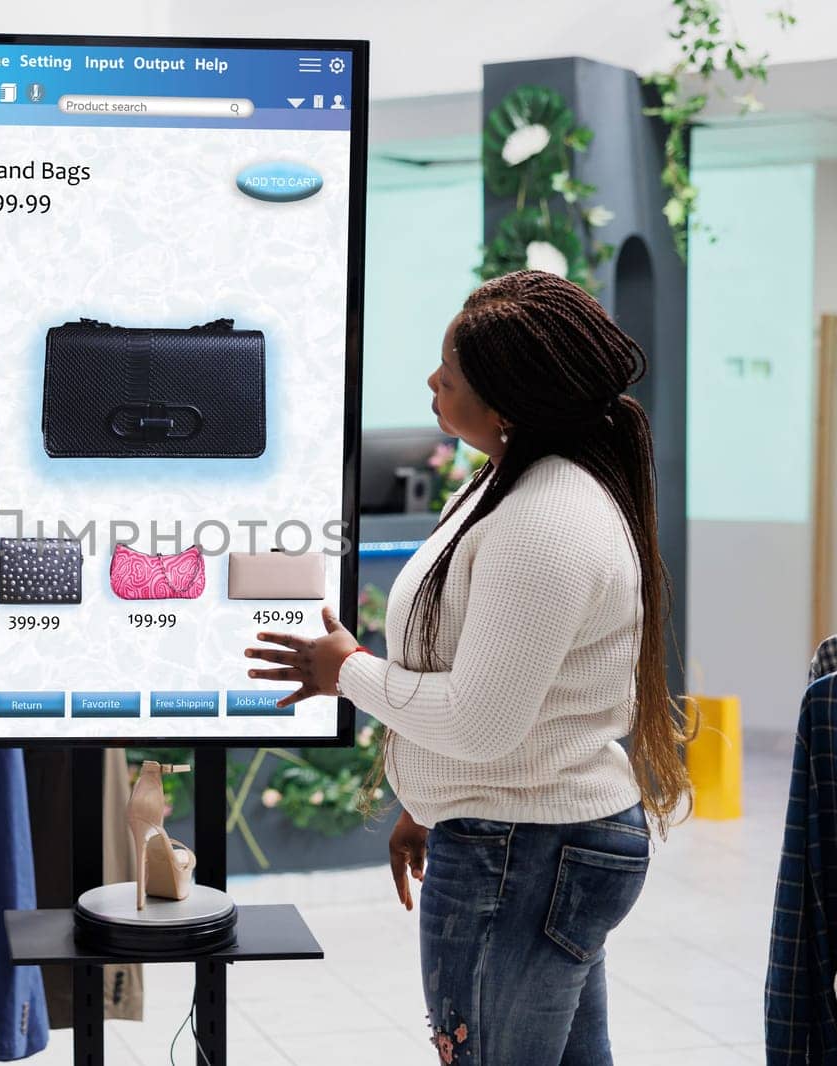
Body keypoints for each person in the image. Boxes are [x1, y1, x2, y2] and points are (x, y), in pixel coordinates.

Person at [245, 269, 691, 1065]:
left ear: (505, 409)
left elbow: (483, 721)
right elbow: (497, 687)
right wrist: (432, 800)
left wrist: (343, 668)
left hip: (522, 850)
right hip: (519, 835)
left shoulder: (544, 519)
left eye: (447, 377)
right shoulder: (511, 487)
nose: (429, 382)